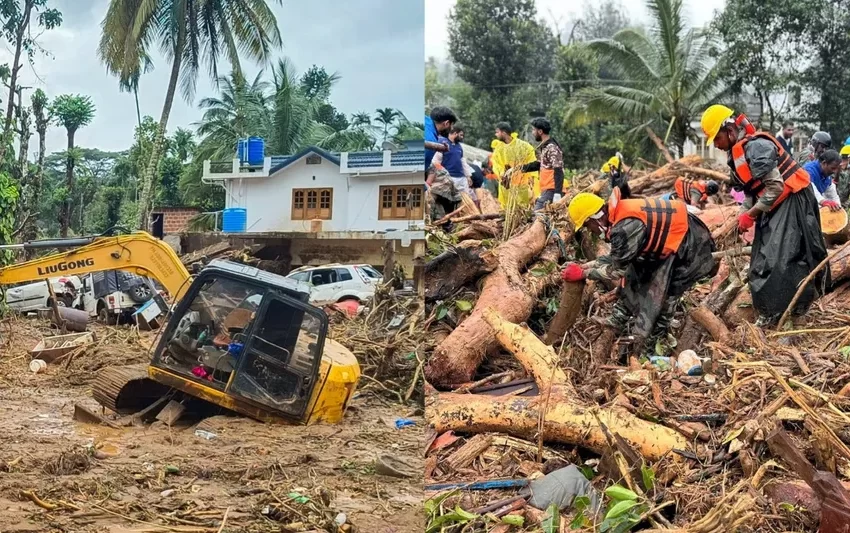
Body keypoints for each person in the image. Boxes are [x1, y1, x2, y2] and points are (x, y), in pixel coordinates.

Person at [701, 104, 829, 326]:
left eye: (717, 139)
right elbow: (753, 189)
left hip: (793, 199)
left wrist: (750, 214)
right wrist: (742, 217)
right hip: (776, 203)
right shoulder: (738, 153)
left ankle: (788, 313)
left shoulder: (757, 147)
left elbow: (775, 188)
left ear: (729, 130)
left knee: (780, 260)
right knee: (761, 259)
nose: (716, 145)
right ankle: (771, 311)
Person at [562, 188, 716, 359]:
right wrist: (583, 266)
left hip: (690, 248)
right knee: (635, 273)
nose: (590, 230)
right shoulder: (617, 217)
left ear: (594, 218)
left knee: (665, 298)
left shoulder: (624, 227)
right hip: (671, 244)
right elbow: (616, 259)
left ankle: (652, 348)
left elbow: (616, 270)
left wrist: (583, 274)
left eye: (586, 225)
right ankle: (619, 318)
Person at [516, 117, 566, 210]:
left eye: (534, 130)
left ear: (540, 132)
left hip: (552, 190)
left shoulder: (552, 148)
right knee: (544, 219)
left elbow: (558, 170)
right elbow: (539, 164)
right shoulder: (545, 147)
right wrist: (519, 168)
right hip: (547, 189)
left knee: (537, 215)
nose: (532, 132)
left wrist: (557, 193)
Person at [491, 122, 538, 209]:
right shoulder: (498, 149)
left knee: (523, 209)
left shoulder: (523, 146)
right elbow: (496, 163)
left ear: (504, 133)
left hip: (522, 184)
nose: (496, 134)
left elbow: (532, 161)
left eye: (497, 132)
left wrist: (532, 177)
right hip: (506, 185)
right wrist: (502, 173)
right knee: (507, 209)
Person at [432, 125, 475, 198]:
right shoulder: (442, 143)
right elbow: (436, 162)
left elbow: (463, 162)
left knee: (465, 199)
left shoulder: (459, 146)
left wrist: (468, 176)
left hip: (461, 178)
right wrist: (444, 175)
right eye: (461, 135)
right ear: (455, 133)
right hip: (448, 178)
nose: (462, 137)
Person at [425, 164, 461, 231]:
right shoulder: (430, 162)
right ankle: (443, 224)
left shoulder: (429, 165)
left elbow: (428, 183)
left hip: (442, 186)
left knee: (430, 199)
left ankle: (432, 223)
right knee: (438, 204)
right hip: (447, 187)